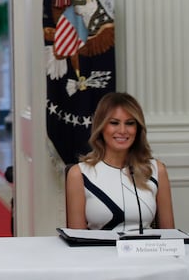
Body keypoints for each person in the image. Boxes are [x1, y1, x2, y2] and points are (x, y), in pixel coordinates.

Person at [65, 92, 175, 231]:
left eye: (130, 123)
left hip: (147, 251)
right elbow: (77, 240)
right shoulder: (79, 174)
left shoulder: (156, 170)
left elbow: (170, 236)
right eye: (114, 123)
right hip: (98, 252)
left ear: (138, 129)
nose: (123, 130)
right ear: (101, 126)